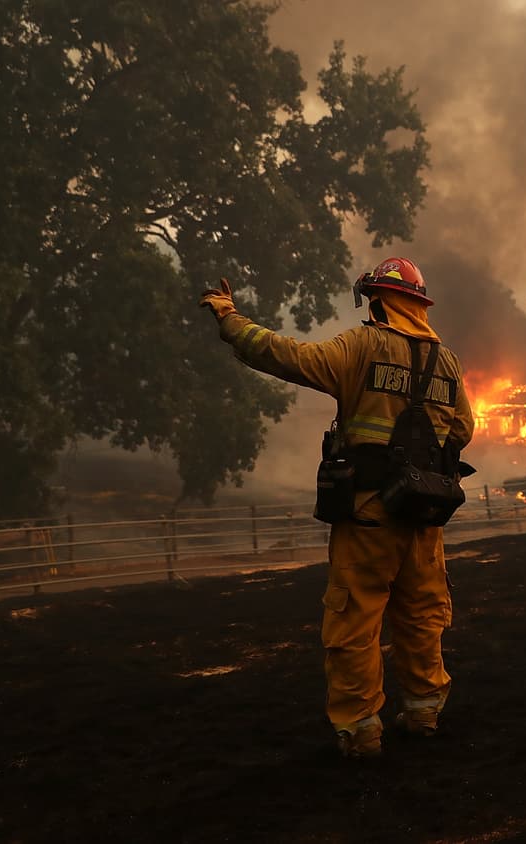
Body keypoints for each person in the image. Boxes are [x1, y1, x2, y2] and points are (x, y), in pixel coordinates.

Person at [199, 257, 475, 758]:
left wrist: (230, 321)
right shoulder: (448, 363)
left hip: (368, 515)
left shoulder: (362, 345)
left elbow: (288, 356)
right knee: (423, 617)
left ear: (378, 302)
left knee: (354, 622)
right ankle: (424, 712)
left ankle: (362, 730)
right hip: (425, 520)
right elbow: (462, 432)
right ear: (419, 307)